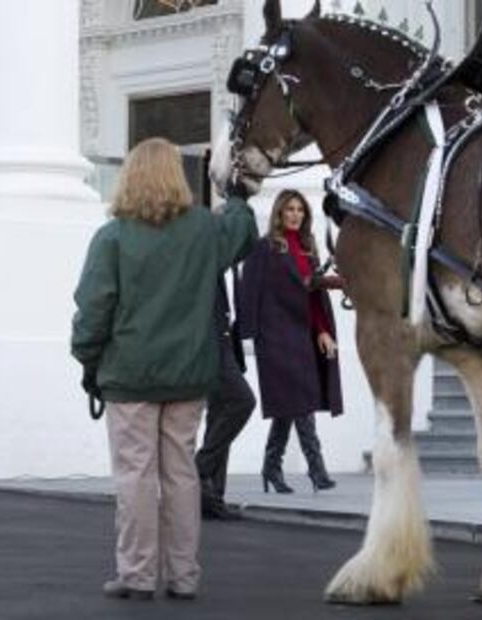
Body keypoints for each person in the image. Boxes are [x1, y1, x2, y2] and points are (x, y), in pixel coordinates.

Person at [71, 137, 257, 600]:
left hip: (129, 375)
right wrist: (235, 192)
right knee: (181, 474)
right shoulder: (202, 230)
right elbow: (242, 231)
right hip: (189, 374)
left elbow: (93, 311)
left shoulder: (112, 237)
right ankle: (183, 575)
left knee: (135, 475)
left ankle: (135, 573)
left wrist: (89, 361)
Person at [237, 189, 344, 494]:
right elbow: (249, 290)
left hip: (303, 336)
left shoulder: (308, 248)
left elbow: (314, 296)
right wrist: (250, 337)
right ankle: (317, 470)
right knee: (301, 402)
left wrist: (323, 330)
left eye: (300, 209)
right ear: (279, 214)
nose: (295, 214)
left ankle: (271, 467)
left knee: (290, 405)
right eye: (290, 209)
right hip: (275, 338)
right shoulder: (265, 248)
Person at [195, 275, 256, 520]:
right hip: (210, 343)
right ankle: (199, 469)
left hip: (224, 338)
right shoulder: (204, 246)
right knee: (243, 401)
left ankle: (211, 499)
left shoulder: (227, 254)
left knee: (220, 412)